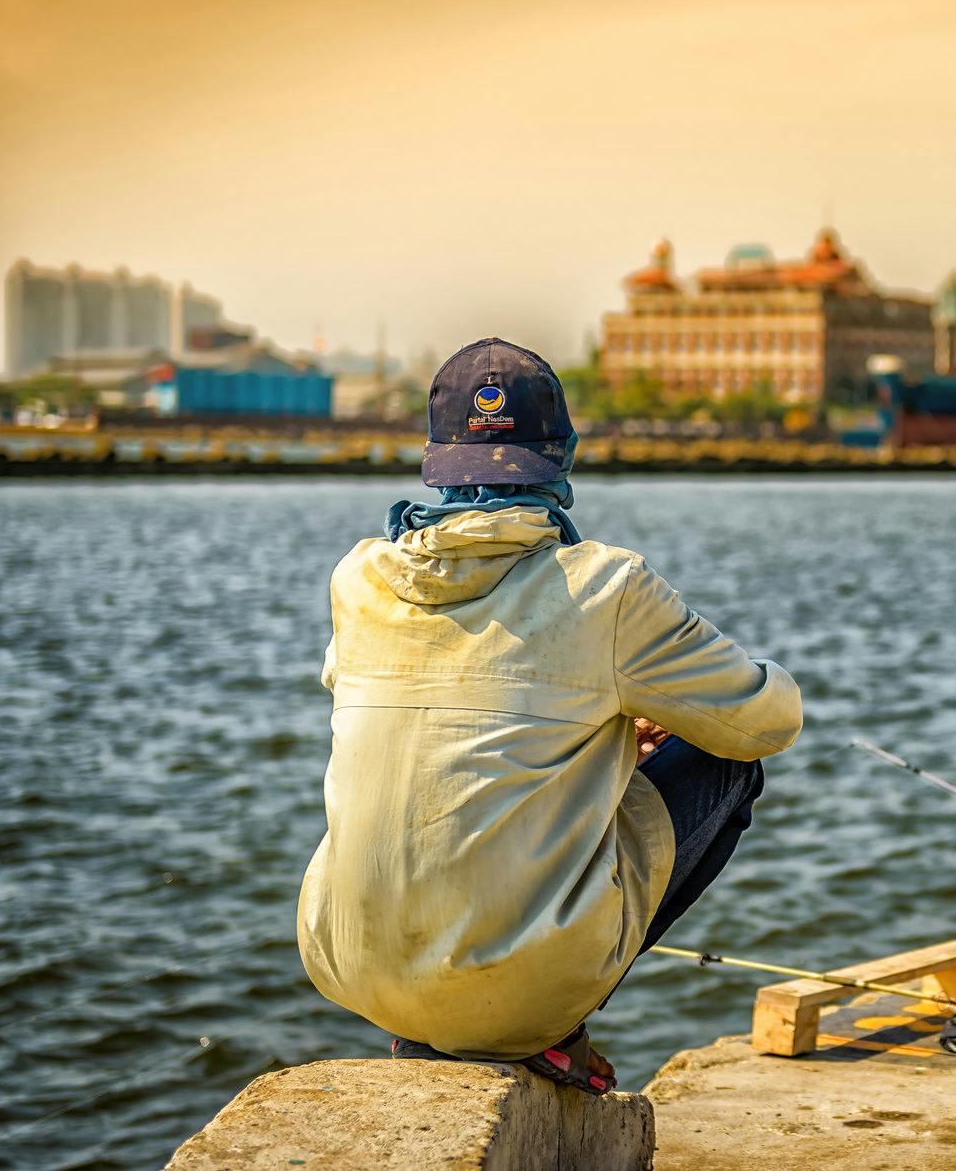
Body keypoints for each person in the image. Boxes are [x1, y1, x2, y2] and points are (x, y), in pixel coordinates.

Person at [297, 337, 800, 1093]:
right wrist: (628, 720)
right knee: (729, 761)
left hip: (346, 964)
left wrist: (596, 731)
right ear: (562, 453)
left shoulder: (360, 576)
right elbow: (766, 719)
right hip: (518, 991)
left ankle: (429, 1023)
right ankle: (550, 1020)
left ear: (435, 459)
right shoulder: (606, 586)